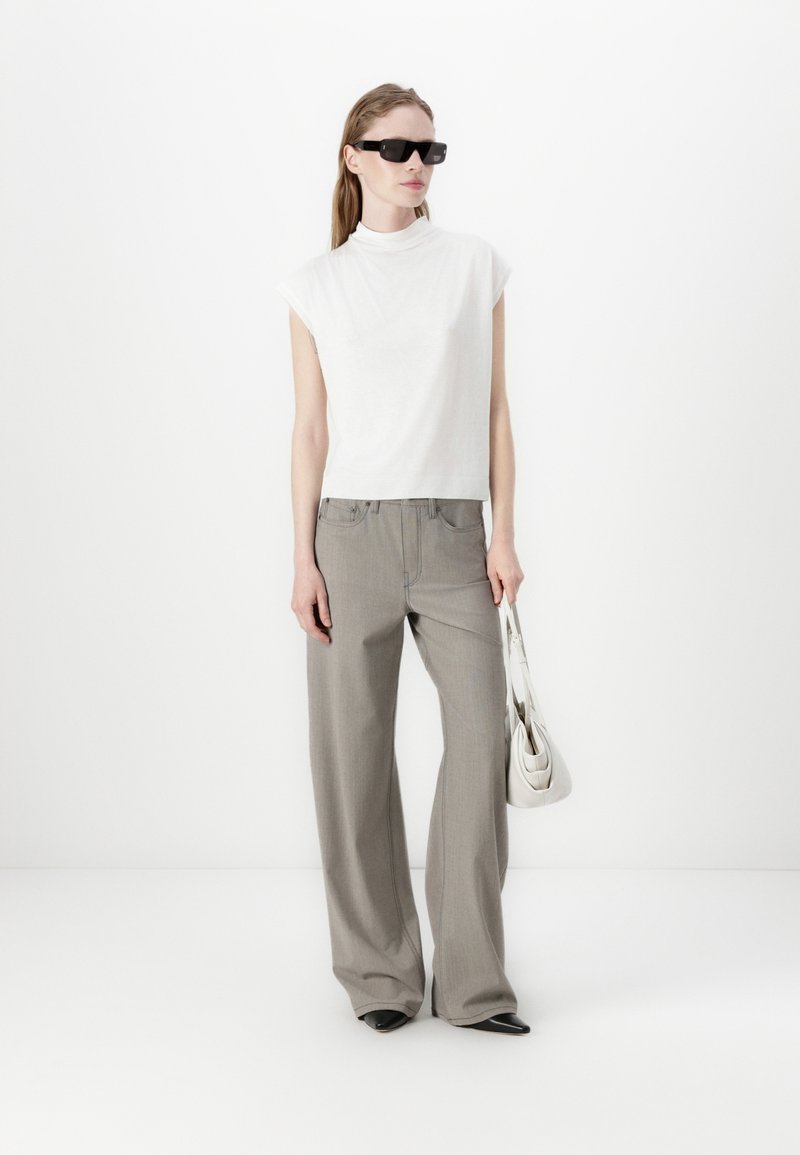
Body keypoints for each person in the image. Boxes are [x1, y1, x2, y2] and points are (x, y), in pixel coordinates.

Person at [276, 83, 529, 1036]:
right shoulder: (315, 283)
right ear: (354, 156)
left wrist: (504, 533)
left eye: (430, 149)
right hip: (348, 535)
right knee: (352, 758)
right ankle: (381, 975)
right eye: (395, 148)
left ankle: (471, 984)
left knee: (480, 740)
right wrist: (301, 558)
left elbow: (497, 410)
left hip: (455, 531)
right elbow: (309, 429)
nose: (416, 164)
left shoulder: (474, 265)